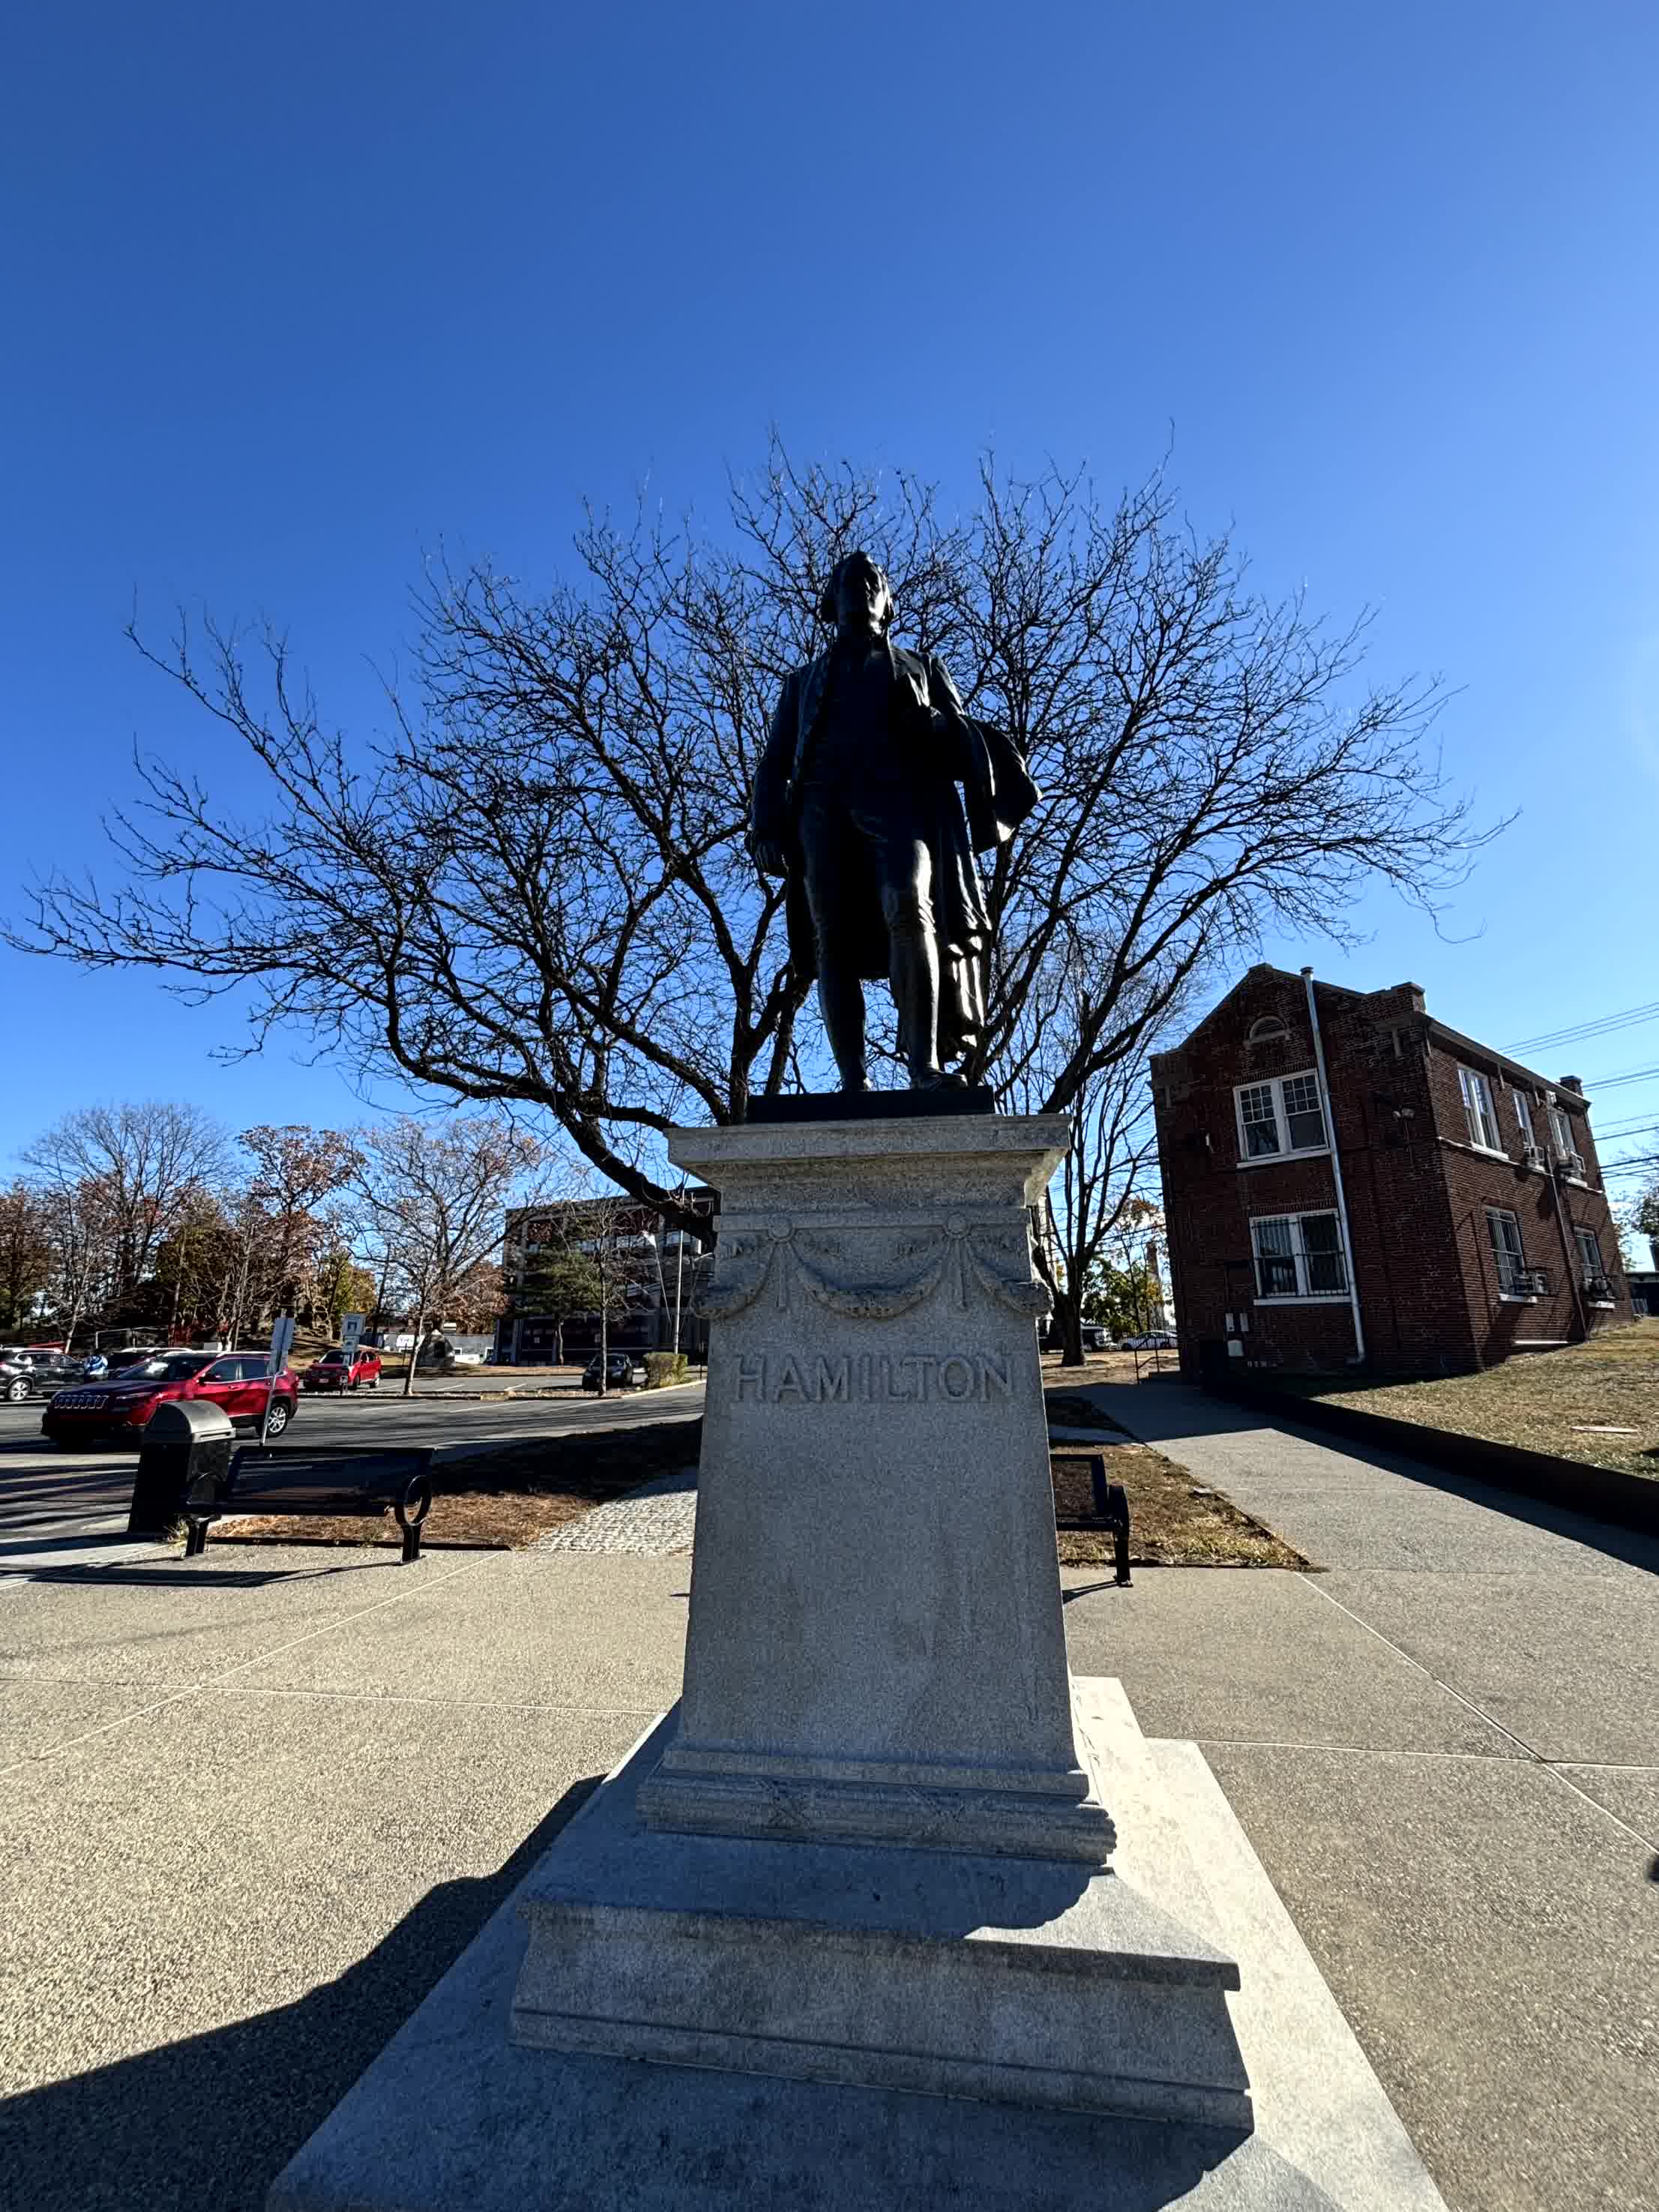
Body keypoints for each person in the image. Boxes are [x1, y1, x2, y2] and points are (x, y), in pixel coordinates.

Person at [750, 550, 1038, 1091]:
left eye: (871, 580)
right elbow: (774, 762)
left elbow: (962, 744)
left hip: (901, 803)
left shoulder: (922, 668)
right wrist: (764, 829)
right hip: (821, 810)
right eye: (848, 581)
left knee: (909, 905)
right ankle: (852, 1082)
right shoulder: (801, 682)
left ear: (887, 601)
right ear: (830, 602)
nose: (860, 587)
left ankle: (924, 1068)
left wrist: (933, 724)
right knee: (830, 936)